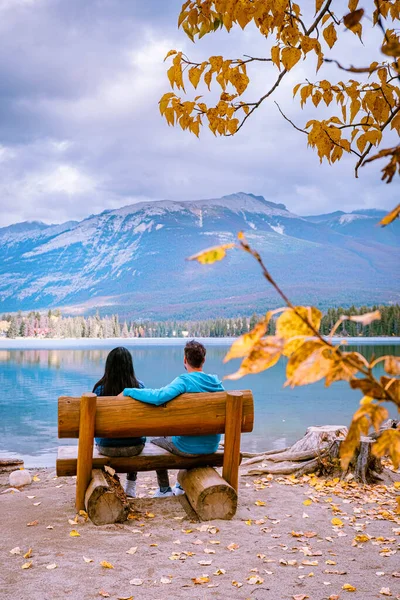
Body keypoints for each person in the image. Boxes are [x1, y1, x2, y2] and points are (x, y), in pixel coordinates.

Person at [120, 340, 224, 497]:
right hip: (211, 446)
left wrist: (129, 391)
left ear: (184, 360)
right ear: (204, 360)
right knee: (181, 435)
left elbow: (158, 397)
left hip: (187, 447)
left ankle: (164, 490)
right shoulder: (216, 383)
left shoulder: (184, 381)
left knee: (156, 440)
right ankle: (180, 486)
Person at [92, 346, 171, 498]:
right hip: (134, 448)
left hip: (106, 448)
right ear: (130, 366)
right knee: (133, 433)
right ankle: (131, 486)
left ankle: (114, 484)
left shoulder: (99, 390)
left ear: (108, 366)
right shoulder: (139, 387)